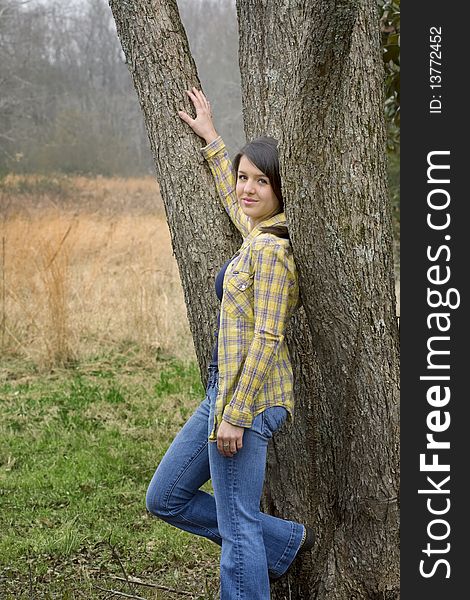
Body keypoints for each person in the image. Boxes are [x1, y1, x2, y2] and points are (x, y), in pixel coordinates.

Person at [145, 88, 314, 599]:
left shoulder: (273, 252)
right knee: (166, 496)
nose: (247, 188)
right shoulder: (257, 235)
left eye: (261, 181)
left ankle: (264, 557)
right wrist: (214, 140)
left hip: (249, 399)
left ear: (282, 190)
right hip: (225, 393)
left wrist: (236, 414)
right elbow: (235, 200)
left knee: (237, 524)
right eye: (244, 177)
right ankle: (283, 543)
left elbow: (268, 337)